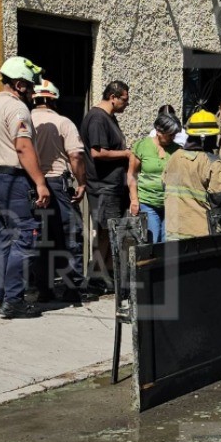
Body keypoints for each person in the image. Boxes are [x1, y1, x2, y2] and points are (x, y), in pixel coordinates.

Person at [0, 56, 50, 319]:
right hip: (12, 180)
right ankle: (14, 300)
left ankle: (3, 298)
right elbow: (22, 147)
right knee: (24, 238)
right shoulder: (18, 110)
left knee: (0, 239)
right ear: (19, 85)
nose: (32, 93)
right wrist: (41, 183)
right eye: (30, 87)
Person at [29, 79, 89, 302]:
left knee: (41, 238)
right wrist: (82, 183)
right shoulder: (63, 122)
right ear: (54, 100)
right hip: (56, 184)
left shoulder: (25, 120)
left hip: (32, 185)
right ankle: (72, 290)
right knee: (69, 235)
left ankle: (43, 289)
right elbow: (76, 155)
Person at [79, 80, 133, 293]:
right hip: (103, 187)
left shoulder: (109, 118)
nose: (126, 104)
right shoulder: (97, 118)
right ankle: (95, 277)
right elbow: (97, 152)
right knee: (103, 232)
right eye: (124, 100)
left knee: (108, 233)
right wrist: (126, 153)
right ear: (113, 97)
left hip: (112, 186)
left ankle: (105, 274)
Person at [163, 110, 221, 240]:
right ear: (204, 138)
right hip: (200, 235)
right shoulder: (211, 162)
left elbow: (165, 186)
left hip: (173, 232)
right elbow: (220, 199)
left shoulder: (174, 157)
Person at [129, 106, 182, 242]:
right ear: (159, 131)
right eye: (170, 134)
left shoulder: (178, 150)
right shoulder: (142, 146)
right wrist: (134, 200)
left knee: (167, 242)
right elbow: (131, 174)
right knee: (153, 239)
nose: (173, 138)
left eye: (174, 134)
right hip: (148, 202)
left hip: (170, 203)